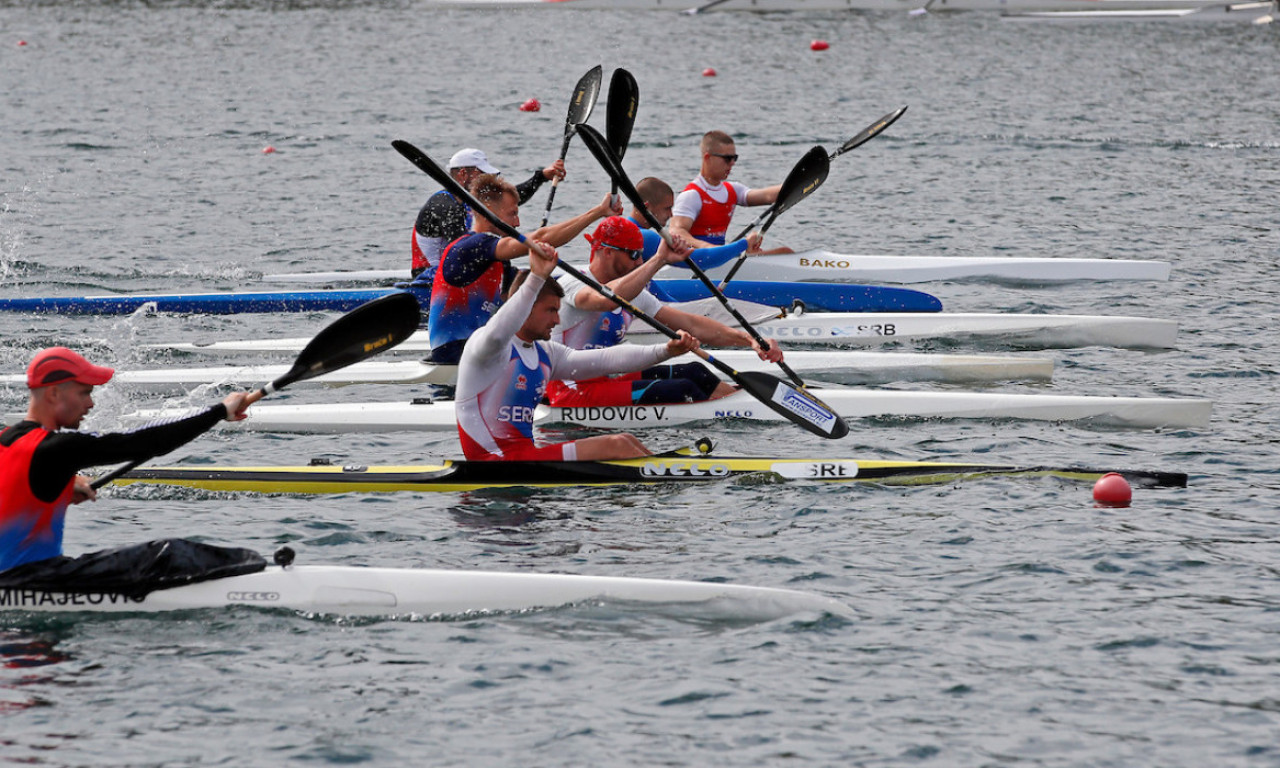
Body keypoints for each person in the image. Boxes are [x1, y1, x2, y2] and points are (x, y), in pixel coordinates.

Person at [0, 347, 252, 575]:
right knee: (169, 554)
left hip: (15, 578)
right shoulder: (57, 449)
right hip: (34, 579)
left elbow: (17, 484)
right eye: (84, 392)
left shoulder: (7, 441)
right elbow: (146, 440)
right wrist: (220, 411)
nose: (91, 403)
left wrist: (65, 486)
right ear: (54, 393)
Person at [454, 239, 700, 462]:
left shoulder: (545, 353)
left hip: (523, 456)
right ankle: (670, 477)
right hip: (493, 461)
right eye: (551, 310)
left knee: (625, 440)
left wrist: (667, 350)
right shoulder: (488, 348)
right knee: (615, 445)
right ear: (527, 308)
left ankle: (667, 470)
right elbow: (501, 327)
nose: (557, 320)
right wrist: (537, 277)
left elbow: (606, 360)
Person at [546, 217, 784, 409]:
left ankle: (742, 405)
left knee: (695, 372)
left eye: (642, 254)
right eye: (633, 254)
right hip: (569, 391)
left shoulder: (633, 291)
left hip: (607, 379)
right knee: (683, 389)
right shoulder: (573, 284)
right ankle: (739, 412)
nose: (639, 261)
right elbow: (606, 300)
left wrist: (750, 340)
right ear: (607, 252)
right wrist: (659, 259)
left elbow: (693, 324)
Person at [425, 173, 619, 364]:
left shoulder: (498, 259)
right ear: (489, 211)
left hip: (480, 347)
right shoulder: (469, 247)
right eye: (512, 214)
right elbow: (541, 238)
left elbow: (525, 296)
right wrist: (597, 213)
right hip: (453, 352)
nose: (517, 223)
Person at [411, 148, 566, 281]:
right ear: (463, 174)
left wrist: (540, 177)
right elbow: (465, 253)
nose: (488, 182)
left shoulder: (468, 199)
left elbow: (506, 202)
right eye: (482, 175)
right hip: (429, 278)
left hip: (455, 274)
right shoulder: (445, 206)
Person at [667, 131, 794, 255]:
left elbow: (767, 196)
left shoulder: (733, 190)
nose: (732, 163)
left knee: (786, 253)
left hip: (720, 258)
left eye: (734, 158)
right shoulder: (692, 195)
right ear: (708, 158)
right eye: (727, 158)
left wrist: (800, 181)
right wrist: (708, 248)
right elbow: (676, 232)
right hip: (696, 259)